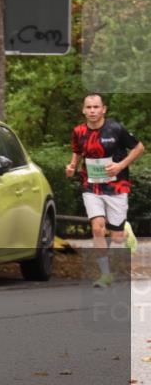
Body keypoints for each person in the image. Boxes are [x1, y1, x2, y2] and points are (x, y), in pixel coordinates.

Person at [66, 93, 144, 287]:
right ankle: (105, 274)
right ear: (84, 110)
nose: (92, 111)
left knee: (116, 238)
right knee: (97, 228)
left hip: (117, 185)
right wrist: (72, 166)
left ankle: (125, 232)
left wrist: (120, 166)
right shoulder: (78, 131)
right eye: (89, 107)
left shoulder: (115, 129)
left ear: (103, 109)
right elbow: (77, 151)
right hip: (91, 185)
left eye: (96, 107)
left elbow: (139, 148)